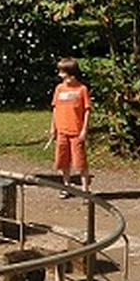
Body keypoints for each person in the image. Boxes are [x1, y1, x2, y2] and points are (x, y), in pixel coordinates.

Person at [49, 57, 92, 197]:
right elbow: (55, 109)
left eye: (62, 72)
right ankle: (66, 186)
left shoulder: (82, 89)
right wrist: (53, 127)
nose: (60, 75)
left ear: (71, 73)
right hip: (62, 131)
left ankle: (85, 190)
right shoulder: (59, 88)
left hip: (76, 131)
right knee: (63, 161)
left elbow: (87, 110)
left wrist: (84, 129)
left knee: (80, 162)